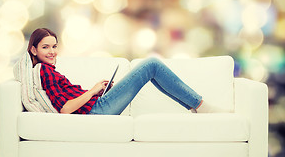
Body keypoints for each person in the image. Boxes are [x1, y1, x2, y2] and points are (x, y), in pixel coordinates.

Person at [28, 28, 222, 115]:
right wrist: (93, 91)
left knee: (152, 69)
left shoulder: (49, 70)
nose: (52, 52)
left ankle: (197, 107)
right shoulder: (44, 72)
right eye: (45, 47)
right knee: (151, 65)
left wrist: (99, 91)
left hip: (97, 105)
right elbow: (65, 109)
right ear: (33, 50)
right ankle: (201, 105)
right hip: (97, 110)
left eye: (54, 46)